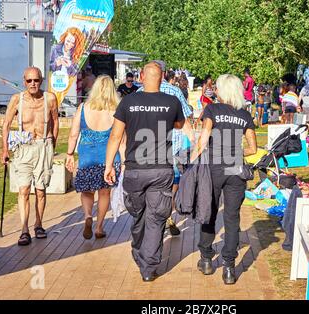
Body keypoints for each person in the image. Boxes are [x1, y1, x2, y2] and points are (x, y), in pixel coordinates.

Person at [104, 62, 185, 282]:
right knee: (155, 217)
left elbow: (115, 136)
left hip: (135, 169)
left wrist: (109, 165)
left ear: (141, 76)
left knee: (141, 215)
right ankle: (148, 264)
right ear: (162, 78)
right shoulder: (172, 101)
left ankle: (143, 257)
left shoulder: (129, 102)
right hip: (161, 169)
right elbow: (179, 124)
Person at [190, 74, 257, 285]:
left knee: (208, 213)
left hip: (213, 168)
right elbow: (253, 148)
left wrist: (191, 160)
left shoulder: (212, 110)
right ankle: (229, 268)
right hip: (235, 170)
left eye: (217, 88)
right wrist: (236, 154)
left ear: (223, 90)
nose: (215, 91)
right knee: (232, 218)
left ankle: (207, 259)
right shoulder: (244, 114)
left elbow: (203, 138)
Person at [1, 67, 59, 246]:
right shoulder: (17, 100)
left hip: (43, 145)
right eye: (29, 81)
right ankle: (24, 229)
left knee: (40, 190)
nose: (33, 84)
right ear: (24, 81)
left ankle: (39, 224)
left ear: (41, 80)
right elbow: (6, 124)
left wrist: (52, 144)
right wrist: (5, 150)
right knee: (23, 190)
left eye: (36, 80)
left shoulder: (49, 98)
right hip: (23, 148)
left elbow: (56, 121)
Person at [137, 60, 195, 237]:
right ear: (163, 74)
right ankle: (166, 214)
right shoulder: (175, 91)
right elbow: (186, 117)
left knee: (150, 186)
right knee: (171, 187)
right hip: (173, 147)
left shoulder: (139, 93)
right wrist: (194, 144)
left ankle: (154, 218)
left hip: (146, 148)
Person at [65, 75, 121, 240]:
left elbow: (73, 134)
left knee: (87, 191)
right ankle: (99, 227)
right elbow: (121, 137)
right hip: (109, 159)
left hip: (86, 158)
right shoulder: (116, 110)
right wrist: (124, 161)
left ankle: (88, 215)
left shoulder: (83, 108)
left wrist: (69, 154)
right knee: (104, 193)